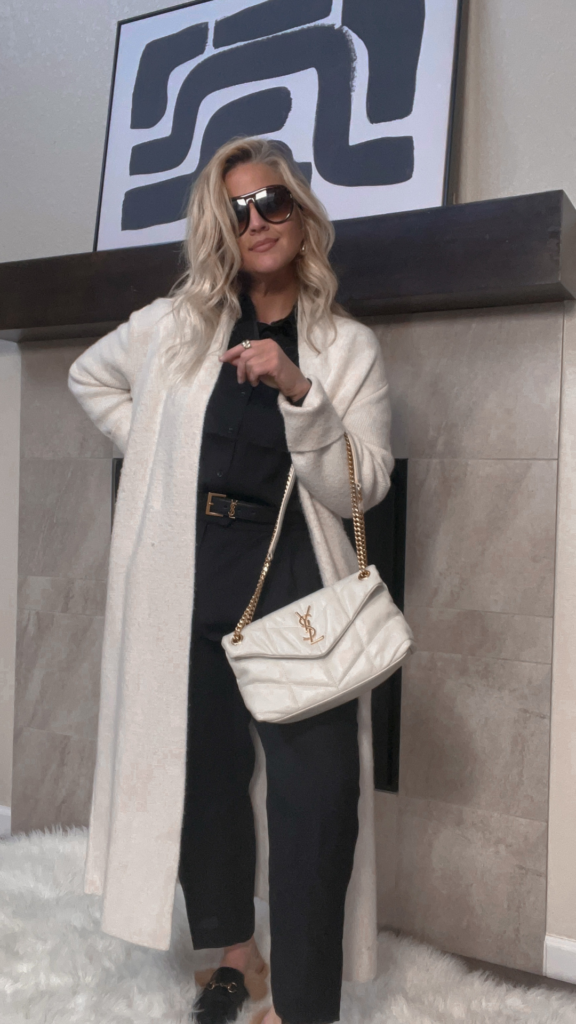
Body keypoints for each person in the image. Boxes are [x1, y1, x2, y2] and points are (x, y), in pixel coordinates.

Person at [68, 136, 393, 1024]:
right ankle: (233, 956)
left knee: (315, 798)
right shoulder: (177, 328)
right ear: (223, 224)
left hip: (293, 581)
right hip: (189, 574)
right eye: (238, 208)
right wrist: (158, 458)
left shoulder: (346, 348)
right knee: (200, 775)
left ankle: (303, 1002)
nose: (257, 221)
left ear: (301, 214)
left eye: (272, 202)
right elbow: (90, 376)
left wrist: (299, 390)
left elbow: (362, 486)